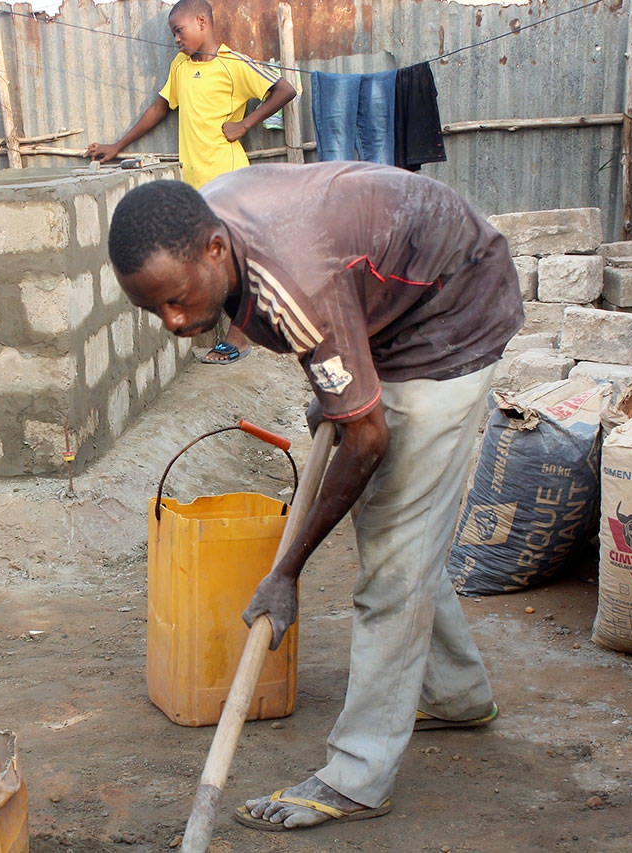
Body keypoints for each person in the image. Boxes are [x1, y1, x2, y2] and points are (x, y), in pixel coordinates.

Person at [107, 164, 524, 833]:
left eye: (177, 300)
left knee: (391, 559)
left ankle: (359, 776)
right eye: (154, 308)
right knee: (396, 527)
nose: (173, 319)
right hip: (390, 299)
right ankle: (455, 694)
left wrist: (286, 571)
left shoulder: (291, 275)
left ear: (215, 249)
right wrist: (336, 382)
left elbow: (366, 438)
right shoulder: (201, 230)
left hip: (454, 310)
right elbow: (324, 318)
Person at [85, 0, 295, 366]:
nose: (176, 39)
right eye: (172, 34)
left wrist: (245, 125)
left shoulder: (233, 64)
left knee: (237, 262)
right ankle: (221, 330)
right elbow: (160, 107)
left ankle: (239, 338)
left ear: (202, 22)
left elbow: (285, 90)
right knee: (205, 263)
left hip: (230, 181)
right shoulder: (181, 66)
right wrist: (117, 145)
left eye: (178, 31)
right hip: (195, 184)